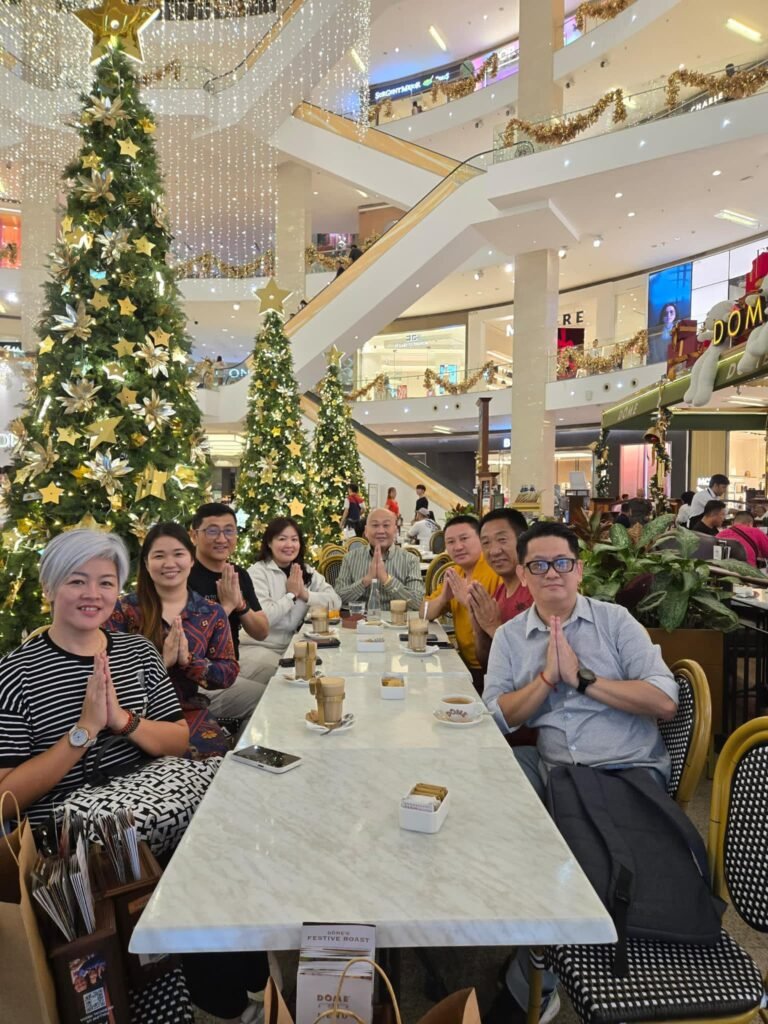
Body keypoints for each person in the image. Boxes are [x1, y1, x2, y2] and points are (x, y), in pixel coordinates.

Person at [483, 521, 678, 1022]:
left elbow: (664, 699)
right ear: (523, 575)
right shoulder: (510, 637)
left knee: (559, 852)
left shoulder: (615, 622)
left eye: (562, 563)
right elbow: (494, 717)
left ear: (579, 570)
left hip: (624, 770)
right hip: (555, 768)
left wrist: (583, 679)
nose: (552, 573)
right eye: (539, 565)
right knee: (485, 798)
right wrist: (548, 679)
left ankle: (534, 978)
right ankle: (509, 921)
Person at [0, 530, 189, 825]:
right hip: (72, 838)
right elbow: (3, 802)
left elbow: (178, 741)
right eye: (77, 581)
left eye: (106, 583)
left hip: (159, 813)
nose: (92, 594)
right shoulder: (14, 675)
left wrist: (122, 720)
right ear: (48, 588)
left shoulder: (139, 651)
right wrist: (85, 730)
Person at [107, 523, 238, 759]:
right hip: (130, 714)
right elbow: (106, 671)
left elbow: (228, 672)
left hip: (187, 711)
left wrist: (189, 661)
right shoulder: (123, 609)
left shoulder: (211, 612)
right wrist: (160, 663)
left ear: (191, 560)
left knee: (216, 761)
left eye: (178, 554)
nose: (169, 563)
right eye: (159, 556)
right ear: (146, 563)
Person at [188, 503, 271, 718]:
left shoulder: (238, 575)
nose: (222, 539)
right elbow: (189, 646)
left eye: (229, 531)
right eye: (212, 531)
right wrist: (224, 608)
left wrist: (240, 605)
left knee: (279, 677)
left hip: (231, 666)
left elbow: (262, 632)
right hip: (199, 679)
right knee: (268, 700)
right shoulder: (185, 576)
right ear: (194, 535)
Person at [247, 517, 341, 660]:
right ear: (269, 543)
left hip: (293, 645)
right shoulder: (257, 573)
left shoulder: (305, 571)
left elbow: (336, 602)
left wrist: (304, 594)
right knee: (297, 670)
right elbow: (263, 619)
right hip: (260, 647)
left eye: (294, 539)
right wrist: (291, 595)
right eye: (282, 539)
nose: (289, 545)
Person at [425, 515, 501, 691]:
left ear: (481, 539)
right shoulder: (456, 572)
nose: (458, 547)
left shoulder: (495, 571)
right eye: (450, 542)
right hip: (462, 662)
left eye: (464, 539)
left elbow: (500, 626)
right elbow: (424, 612)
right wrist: (443, 598)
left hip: (490, 668)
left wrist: (467, 601)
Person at [468, 508, 533, 670]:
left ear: (523, 541)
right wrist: (479, 631)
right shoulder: (498, 593)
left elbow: (533, 664)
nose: (494, 551)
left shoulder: (537, 590)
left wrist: (493, 627)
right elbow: (487, 663)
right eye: (486, 543)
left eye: (502, 540)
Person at [336, 507, 424, 610]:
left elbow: (418, 603)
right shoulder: (350, 558)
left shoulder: (411, 560)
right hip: (361, 619)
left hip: (397, 619)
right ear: (366, 531)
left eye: (386, 525)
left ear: (395, 530)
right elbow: (338, 598)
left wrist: (387, 580)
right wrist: (366, 580)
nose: (381, 531)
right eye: (375, 525)